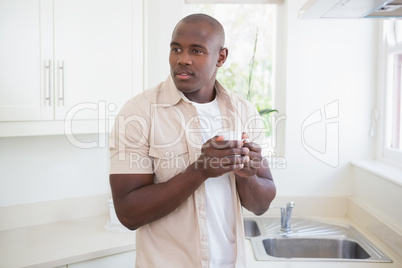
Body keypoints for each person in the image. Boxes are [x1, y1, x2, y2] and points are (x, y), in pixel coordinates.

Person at [109, 13, 276, 268]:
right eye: (176, 49)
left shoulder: (244, 112)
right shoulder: (138, 113)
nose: (182, 59)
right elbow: (128, 213)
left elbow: (260, 205)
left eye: (196, 51)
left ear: (220, 57)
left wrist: (248, 174)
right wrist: (200, 170)